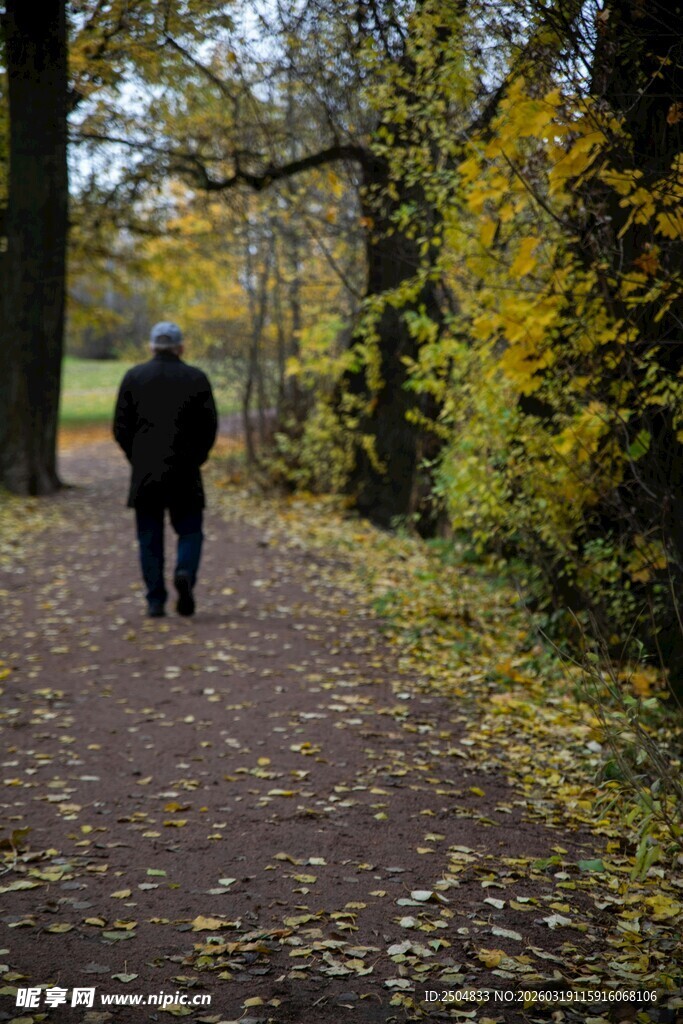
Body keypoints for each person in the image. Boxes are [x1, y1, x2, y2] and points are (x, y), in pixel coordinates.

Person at [113, 321, 218, 618]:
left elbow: (120, 427)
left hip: (146, 472)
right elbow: (209, 427)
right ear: (180, 347)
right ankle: (184, 571)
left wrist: (137, 457)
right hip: (185, 471)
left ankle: (155, 600)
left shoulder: (134, 377)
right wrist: (197, 457)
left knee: (149, 537)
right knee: (191, 531)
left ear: (151, 347)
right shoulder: (196, 379)